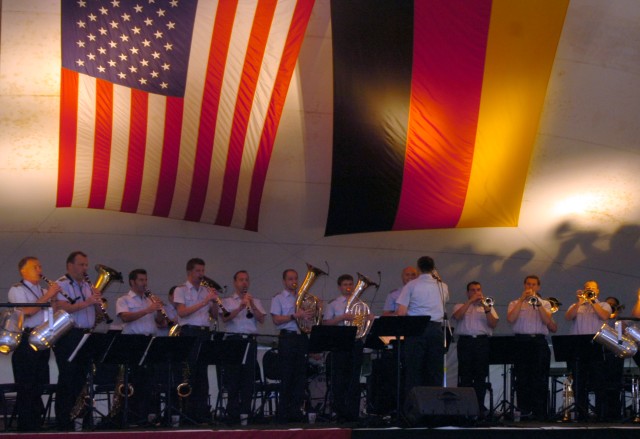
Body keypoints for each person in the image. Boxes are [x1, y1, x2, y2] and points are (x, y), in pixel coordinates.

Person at [52, 251, 105, 430]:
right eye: (81, 264)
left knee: (83, 377)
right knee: (67, 377)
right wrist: (88, 302)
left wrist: (99, 304)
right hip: (68, 334)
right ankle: (64, 420)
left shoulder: (87, 286)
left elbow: (98, 314)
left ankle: (81, 418)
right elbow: (63, 308)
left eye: (86, 265)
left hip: (86, 333)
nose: (85, 268)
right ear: (70, 265)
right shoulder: (60, 284)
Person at [7, 256, 61, 431]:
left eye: (40, 266)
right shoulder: (17, 290)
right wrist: (48, 295)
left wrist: (53, 300)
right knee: (27, 385)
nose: (40, 270)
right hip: (26, 339)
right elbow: (27, 311)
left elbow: (49, 314)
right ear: (23, 270)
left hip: (42, 338)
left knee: (39, 384)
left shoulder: (41, 290)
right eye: (35, 267)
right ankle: (26, 425)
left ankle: (37, 422)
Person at [114, 269, 166, 424]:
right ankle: (135, 415)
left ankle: (149, 414)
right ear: (132, 282)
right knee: (136, 379)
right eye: (141, 280)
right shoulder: (124, 300)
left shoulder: (150, 300)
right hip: (133, 341)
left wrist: (159, 311)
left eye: (146, 280)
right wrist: (147, 310)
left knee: (151, 379)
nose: (145, 283)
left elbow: (160, 322)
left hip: (150, 340)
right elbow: (125, 317)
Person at [173, 258, 220, 423]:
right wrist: (204, 301)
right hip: (189, 333)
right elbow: (182, 313)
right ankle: (189, 413)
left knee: (203, 374)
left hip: (204, 333)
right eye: (198, 271)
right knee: (190, 373)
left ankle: (202, 412)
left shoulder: (206, 291)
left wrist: (214, 302)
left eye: (203, 271)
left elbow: (214, 315)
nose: (201, 274)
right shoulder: (181, 290)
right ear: (189, 272)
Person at [565, 281, 620, 421]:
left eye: (592, 288)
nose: (589, 290)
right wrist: (579, 302)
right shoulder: (576, 306)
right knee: (579, 382)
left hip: (596, 345)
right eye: (587, 288)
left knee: (598, 381)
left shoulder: (603, 305)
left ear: (598, 291)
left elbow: (604, 316)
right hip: (579, 345)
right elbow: (568, 317)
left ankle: (600, 414)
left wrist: (593, 300)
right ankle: (582, 413)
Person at [506, 275, 557, 421]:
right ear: (524, 285)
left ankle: (540, 412)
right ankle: (524, 411)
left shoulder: (545, 304)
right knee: (522, 379)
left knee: (540, 378)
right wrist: (522, 300)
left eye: (534, 285)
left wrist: (538, 304)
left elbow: (548, 321)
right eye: (528, 284)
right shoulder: (515, 303)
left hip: (539, 343)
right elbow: (510, 319)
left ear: (538, 287)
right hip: (521, 342)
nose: (531, 287)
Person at [396, 256, 449, 396]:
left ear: (418, 268)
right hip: (436, 330)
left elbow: (401, 312)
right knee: (434, 371)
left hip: (416, 328)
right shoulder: (443, 286)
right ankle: (434, 409)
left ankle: (414, 410)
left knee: (414, 371)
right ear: (433, 268)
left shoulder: (411, 285)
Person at [220, 270, 266, 424]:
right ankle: (232, 413)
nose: (244, 283)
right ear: (235, 282)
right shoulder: (227, 301)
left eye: (246, 280)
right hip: (234, 341)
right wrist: (240, 307)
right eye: (241, 280)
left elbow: (261, 319)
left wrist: (251, 304)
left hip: (250, 341)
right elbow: (225, 318)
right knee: (233, 378)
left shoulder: (256, 300)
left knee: (248, 379)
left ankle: (246, 413)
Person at [323, 274, 370, 422]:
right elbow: (326, 323)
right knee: (339, 379)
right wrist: (342, 318)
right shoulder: (334, 304)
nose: (348, 287)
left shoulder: (360, 303)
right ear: (339, 287)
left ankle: (352, 412)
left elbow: (364, 327)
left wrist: (368, 319)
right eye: (345, 284)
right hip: (340, 344)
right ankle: (340, 412)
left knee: (354, 379)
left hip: (356, 343)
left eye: (351, 284)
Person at [270, 268, 313, 423]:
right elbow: (276, 320)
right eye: (290, 279)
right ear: (284, 281)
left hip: (301, 338)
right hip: (287, 339)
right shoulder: (279, 298)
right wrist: (294, 315)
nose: (293, 281)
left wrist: (311, 314)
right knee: (287, 376)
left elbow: (308, 322)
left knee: (300, 377)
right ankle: (283, 413)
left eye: (295, 278)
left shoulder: (304, 299)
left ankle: (296, 411)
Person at [451, 281, 499, 418]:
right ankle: (464, 407)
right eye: (472, 290)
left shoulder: (488, 305)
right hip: (465, 342)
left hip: (481, 342)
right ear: (467, 293)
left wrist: (485, 307)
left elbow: (493, 323)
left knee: (480, 376)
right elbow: (457, 316)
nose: (476, 292)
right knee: (465, 376)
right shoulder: (460, 305)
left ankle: (479, 407)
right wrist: (470, 302)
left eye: (478, 289)